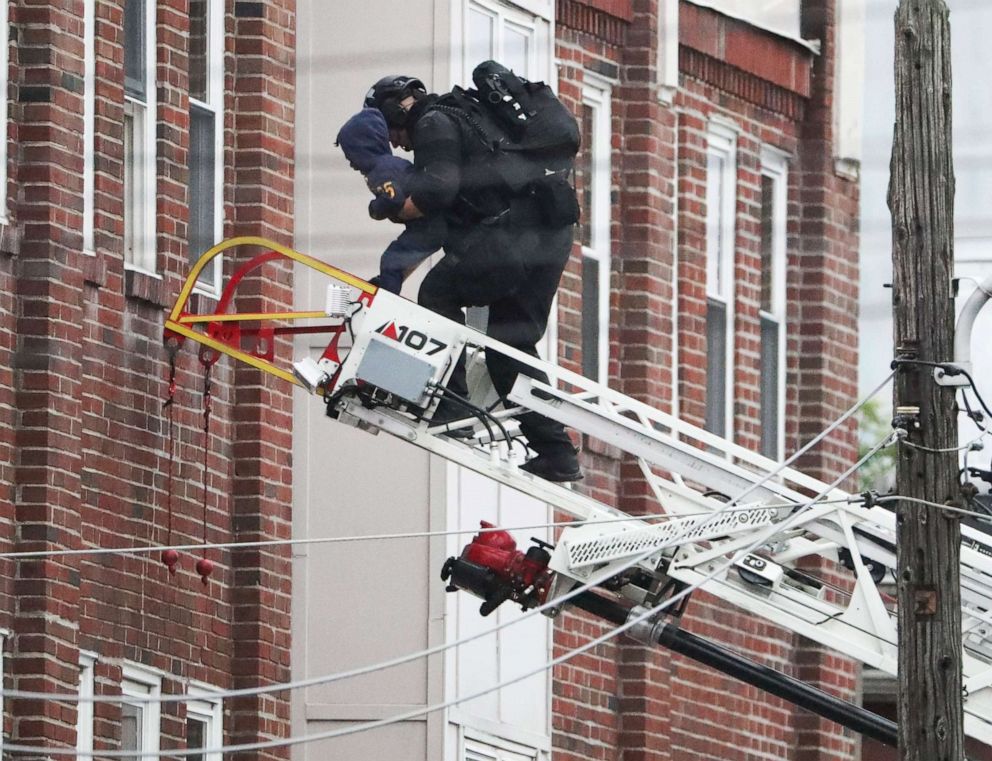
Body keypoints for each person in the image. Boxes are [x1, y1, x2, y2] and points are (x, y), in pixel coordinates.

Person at [363, 74, 582, 482]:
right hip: (551, 233)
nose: (394, 142)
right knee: (509, 343)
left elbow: (437, 194)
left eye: (389, 128)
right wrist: (391, 276)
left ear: (400, 108)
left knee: (437, 293)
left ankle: (453, 406)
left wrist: (393, 208)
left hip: (513, 234)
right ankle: (556, 452)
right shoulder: (465, 119)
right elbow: (442, 224)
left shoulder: (433, 123)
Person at [335, 107, 445, 293]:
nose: (351, 163)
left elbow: (393, 198)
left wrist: (374, 209)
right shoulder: (386, 166)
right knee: (396, 259)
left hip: (429, 226)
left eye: (352, 156)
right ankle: (386, 283)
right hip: (427, 225)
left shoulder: (382, 170)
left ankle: (387, 297)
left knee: (391, 259)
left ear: (363, 148)